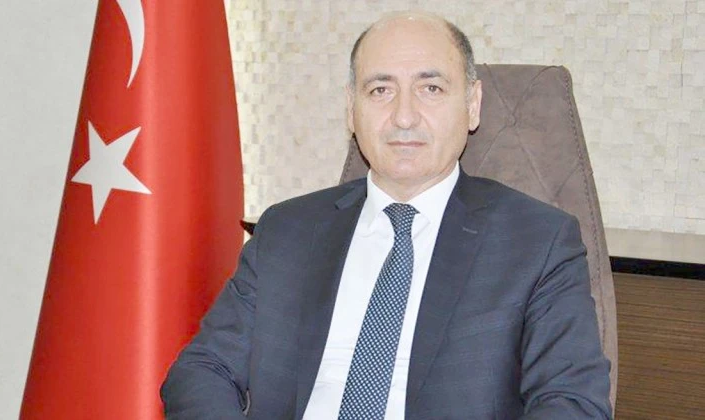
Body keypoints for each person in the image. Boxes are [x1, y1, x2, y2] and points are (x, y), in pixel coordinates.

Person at [161, 11, 612, 419]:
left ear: (472, 104)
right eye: (380, 90)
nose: (404, 116)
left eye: (431, 89)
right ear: (351, 109)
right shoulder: (288, 230)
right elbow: (203, 369)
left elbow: (572, 403)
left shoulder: (537, 242)